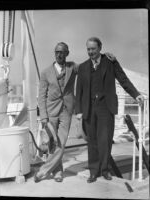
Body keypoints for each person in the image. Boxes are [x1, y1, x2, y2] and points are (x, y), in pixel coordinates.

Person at [35, 41, 116, 183]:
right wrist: (43, 117)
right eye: (57, 52)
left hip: (67, 110)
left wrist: (104, 56)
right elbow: (41, 96)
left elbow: (90, 66)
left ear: (67, 53)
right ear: (54, 54)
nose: (59, 55)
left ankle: (43, 171)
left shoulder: (73, 67)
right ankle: (58, 171)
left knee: (61, 141)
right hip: (51, 111)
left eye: (62, 52)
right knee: (52, 143)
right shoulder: (45, 72)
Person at [75, 37, 144, 183]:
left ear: (100, 48)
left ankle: (105, 170)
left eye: (93, 49)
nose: (90, 52)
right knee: (92, 140)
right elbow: (79, 91)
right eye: (88, 49)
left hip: (106, 107)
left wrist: (136, 94)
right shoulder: (82, 67)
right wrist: (79, 111)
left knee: (105, 140)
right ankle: (94, 171)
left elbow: (123, 80)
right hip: (89, 108)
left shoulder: (110, 62)